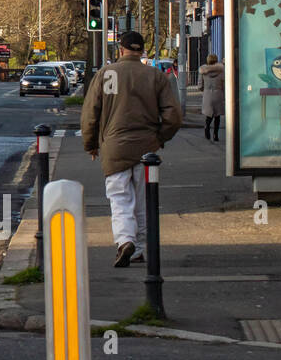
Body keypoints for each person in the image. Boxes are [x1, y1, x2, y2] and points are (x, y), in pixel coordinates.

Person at [81, 31, 182, 268]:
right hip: (147, 149)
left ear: (121, 49)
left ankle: (125, 240)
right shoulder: (155, 76)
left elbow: (90, 115)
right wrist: (160, 138)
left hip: (114, 148)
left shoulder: (105, 75)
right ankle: (138, 250)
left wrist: (91, 144)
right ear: (142, 51)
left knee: (120, 200)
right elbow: (174, 116)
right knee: (142, 201)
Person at [200, 53, 224, 141]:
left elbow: (200, 86)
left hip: (207, 95)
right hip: (218, 94)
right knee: (217, 116)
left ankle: (207, 127)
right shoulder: (221, 71)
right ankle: (215, 135)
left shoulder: (203, 71)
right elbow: (224, 83)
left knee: (209, 115)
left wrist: (204, 89)